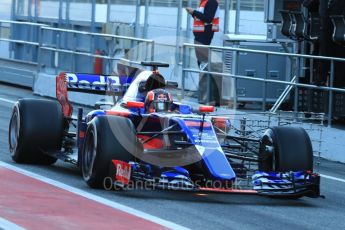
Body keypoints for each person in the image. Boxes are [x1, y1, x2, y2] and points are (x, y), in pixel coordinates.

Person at [186, 0, 220, 70]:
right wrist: (193, 14)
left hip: (205, 34)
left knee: (203, 61)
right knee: (201, 60)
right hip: (200, 35)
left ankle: (206, 79)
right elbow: (201, 18)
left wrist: (194, 12)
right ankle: (205, 78)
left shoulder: (211, 2)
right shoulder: (204, 2)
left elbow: (208, 19)